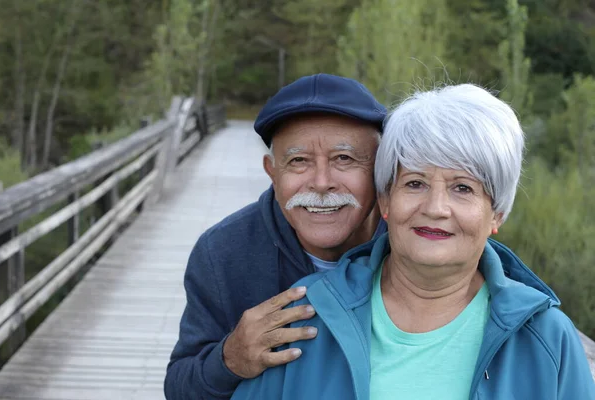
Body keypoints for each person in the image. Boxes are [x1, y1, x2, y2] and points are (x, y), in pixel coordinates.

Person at [231, 84, 595, 399]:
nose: (436, 208)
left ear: (496, 213)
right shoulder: (306, 315)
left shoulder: (548, 338)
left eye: (463, 188)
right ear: (386, 200)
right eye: (415, 183)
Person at [164, 74, 388, 399]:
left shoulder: (412, 244)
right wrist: (229, 359)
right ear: (272, 171)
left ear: (379, 168)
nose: (322, 182)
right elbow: (179, 388)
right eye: (299, 161)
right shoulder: (223, 252)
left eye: (344, 159)